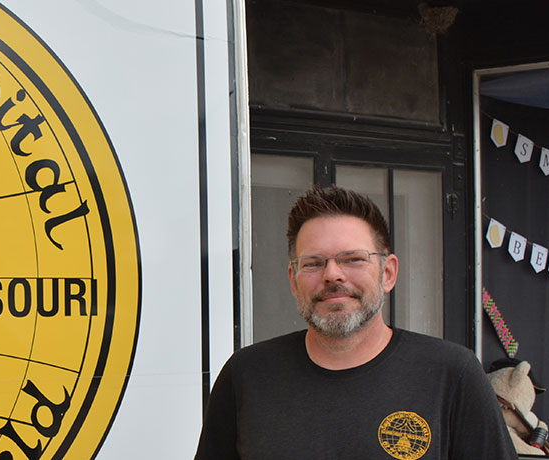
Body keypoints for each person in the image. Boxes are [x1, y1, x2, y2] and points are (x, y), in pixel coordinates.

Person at [193, 185, 513, 460]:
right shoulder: (246, 376)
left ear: (387, 273)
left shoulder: (453, 375)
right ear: (293, 280)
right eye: (314, 263)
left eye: (353, 259)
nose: (332, 274)